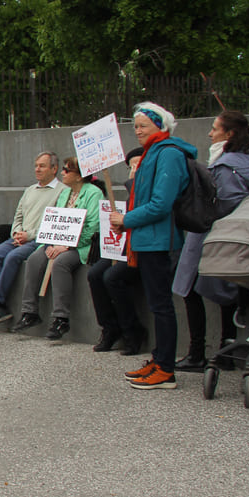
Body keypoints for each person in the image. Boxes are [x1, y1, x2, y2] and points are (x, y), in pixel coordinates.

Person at [170, 111, 249, 371]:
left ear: (229, 134)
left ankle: (199, 353)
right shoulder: (244, 162)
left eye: (215, 128)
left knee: (190, 289)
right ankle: (224, 352)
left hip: (210, 234)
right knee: (224, 293)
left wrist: (201, 209)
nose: (210, 133)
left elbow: (227, 202)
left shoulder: (225, 165)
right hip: (228, 236)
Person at [110, 102, 191, 390]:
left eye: (143, 125)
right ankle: (159, 361)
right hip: (147, 239)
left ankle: (165, 369)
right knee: (158, 305)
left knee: (161, 306)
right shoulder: (153, 152)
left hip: (158, 241)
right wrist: (126, 222)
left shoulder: (168, 153)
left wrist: (127, 219)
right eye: (135, 126)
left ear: (160, 125)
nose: (138, 130)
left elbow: (161, 204)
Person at [11, 156, 104, 339]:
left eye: (67, 170)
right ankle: (30, 311)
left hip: (82, 245)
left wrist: (67, 245)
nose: (62, 173)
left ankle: (61, 318)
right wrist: (52, 242)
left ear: (79, 176)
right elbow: (55, 221)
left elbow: (93, 227)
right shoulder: (65, 194)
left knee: (61, 263)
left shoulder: (94, 193)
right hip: (57, 241)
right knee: (35, 259)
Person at [0, 151, 61, 325]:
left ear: (54, 169)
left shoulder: (61, 191)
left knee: (13, 257)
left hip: (39, 239)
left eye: (42, 166)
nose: (37, 169)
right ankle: (0, 307)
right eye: (36, 166)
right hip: (20, 236)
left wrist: (30, 235)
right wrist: (16, 233)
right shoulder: (30, 190)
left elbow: (55, 222)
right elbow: (18, 214)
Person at [87, 148, 146, 355]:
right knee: (95, 274)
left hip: (143, 248)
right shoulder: (132, 189)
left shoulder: (150, 186)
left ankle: (133, 330)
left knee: (112, 277)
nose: (134, 170)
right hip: (124, 247)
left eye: (138, 165)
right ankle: (110, 327)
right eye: (131, 166)